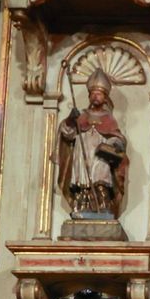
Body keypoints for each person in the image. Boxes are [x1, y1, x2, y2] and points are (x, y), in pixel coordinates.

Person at [54, 67, 128, 225]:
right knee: (82, 183)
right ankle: (82, 206)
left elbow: (117, 137)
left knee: (101, 180)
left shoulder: (109, 118)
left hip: (100, 156)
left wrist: (114, 144)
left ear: (105, 97)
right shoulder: (81, 116)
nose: (95, 96)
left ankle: (103, 206)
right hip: (83, 153)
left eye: (99, 94)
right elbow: (67, 133)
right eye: (93, 93)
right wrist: (69, 120)